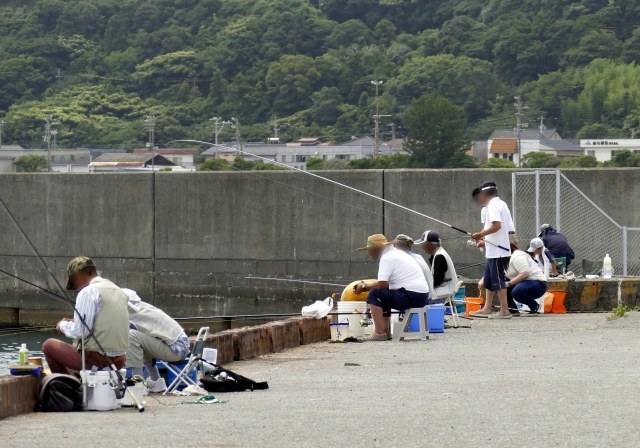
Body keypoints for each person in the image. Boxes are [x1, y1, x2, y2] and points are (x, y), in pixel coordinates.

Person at [43, 257, 129, 374]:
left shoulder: (87, 292)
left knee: (49, 346)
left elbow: (81, 332)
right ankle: (77, 384)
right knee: (75, 347)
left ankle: (66, 387)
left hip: (97, 361)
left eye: (73, 283)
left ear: (77, 276)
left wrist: (62, 325)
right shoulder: (119, 291)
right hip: (119, 361)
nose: (77, 288)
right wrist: (74, 322)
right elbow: (105, 322)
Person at [354, 234, 429, 341]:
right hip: (420, 296)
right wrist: (365, 286)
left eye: (370, 250)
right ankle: (385, 331)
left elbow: (381, 285)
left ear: (378, 248)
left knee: (375, 294)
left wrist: (364, 286)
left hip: (411, 295)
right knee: (383, 294)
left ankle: (379, 333)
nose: (369, 253)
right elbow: (386, 286)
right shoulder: (396, 253)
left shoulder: (387, 257)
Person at [122, 288, 190, 393]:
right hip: (181, 346)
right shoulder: (144, 308)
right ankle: (156, 382)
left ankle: (139, 385)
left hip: (176, 349)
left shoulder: (132, 312)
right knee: (139, 340)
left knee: (131, 336)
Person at [470, 181, 514, 319]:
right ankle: (487, 308)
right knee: (489, 278)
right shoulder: (500, 203)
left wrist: (480, 235)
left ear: (484, 194)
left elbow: (497, 226)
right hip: (495, 248)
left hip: (498, 250)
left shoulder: (493, 205)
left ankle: (505, 311)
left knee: (498, 279)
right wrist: (484, 241)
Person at [503, 239, 548, 314]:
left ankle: (534, 306)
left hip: (537, 282)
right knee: (500, 286)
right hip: (524, 283)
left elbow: (525, 273)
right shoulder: (503, 260)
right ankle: (513, 310)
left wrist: (510, 283)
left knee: (517, 291)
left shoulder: (517, 256)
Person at [414, 230, 458, 304]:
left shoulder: (439, 256)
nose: (422, 247)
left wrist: (423, 286)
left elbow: (437, 280)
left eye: (423, 245)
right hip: (446, 290)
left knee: (417, 299)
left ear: (430, 245)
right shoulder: (439, 253)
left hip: (443, 293)